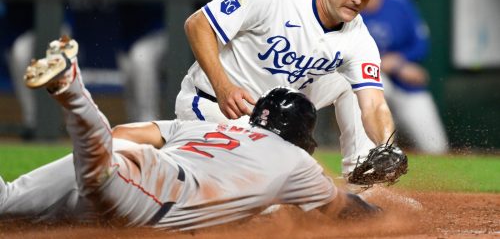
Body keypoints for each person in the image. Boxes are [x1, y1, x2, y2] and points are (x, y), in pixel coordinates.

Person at [0, 36, 381, 229]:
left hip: (129, 162)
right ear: (300, 136)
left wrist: (108, 161)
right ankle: (72, 88)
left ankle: (94, 156)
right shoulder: (297, 161)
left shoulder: (208, 129)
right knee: (101, 179)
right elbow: (343, 208)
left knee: (9, 201)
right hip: (153, 191)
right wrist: (385, 214)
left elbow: (126, 132)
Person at [116, 0, 398, 180]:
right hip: (214, 106)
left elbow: (373, 104)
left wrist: (387, 146)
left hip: (273, 121)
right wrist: (223, 85)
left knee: (353, 82)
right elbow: (198, 23)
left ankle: (361, 179)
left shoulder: (359, 38)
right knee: (269, 193)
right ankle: (146, 166)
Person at [71, 0, 179, 122]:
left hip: (160, 31)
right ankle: (138, 126)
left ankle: (149, 122)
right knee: (130, 77)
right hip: (128, 34)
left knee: (140, 59)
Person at [360, 0, 449, 154]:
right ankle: (381, 152)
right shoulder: (350, 8)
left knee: (436, 147)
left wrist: (399, 62)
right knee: (372, 83)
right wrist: (383, 63)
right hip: (374, 79)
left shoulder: (399, 2)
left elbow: (421, 44)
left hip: (406, 83)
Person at [0, 0, 70, 139]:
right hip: (22, 27)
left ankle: (67, 123)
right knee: (20, 54)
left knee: (62, 65)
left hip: (56, 23)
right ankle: (33, 122)